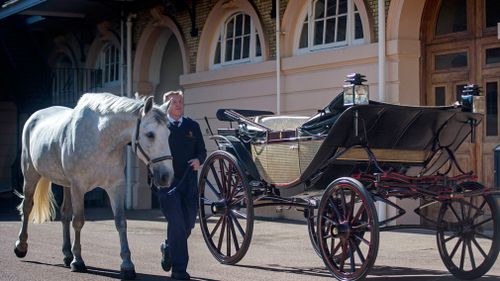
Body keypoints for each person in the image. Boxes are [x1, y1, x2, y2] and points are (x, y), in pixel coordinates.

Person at [157, 90, 206, 280]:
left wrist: (198, 160)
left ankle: (169, 247)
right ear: (166, 106)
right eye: (174, 102)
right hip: (168, 184)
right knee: (177, 223)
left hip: (189, 184)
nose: (178, 104)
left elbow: (201, 150)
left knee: (187, 224)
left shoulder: (192, 125)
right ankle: (179, 270)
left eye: (180, 101)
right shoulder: (160, 127)